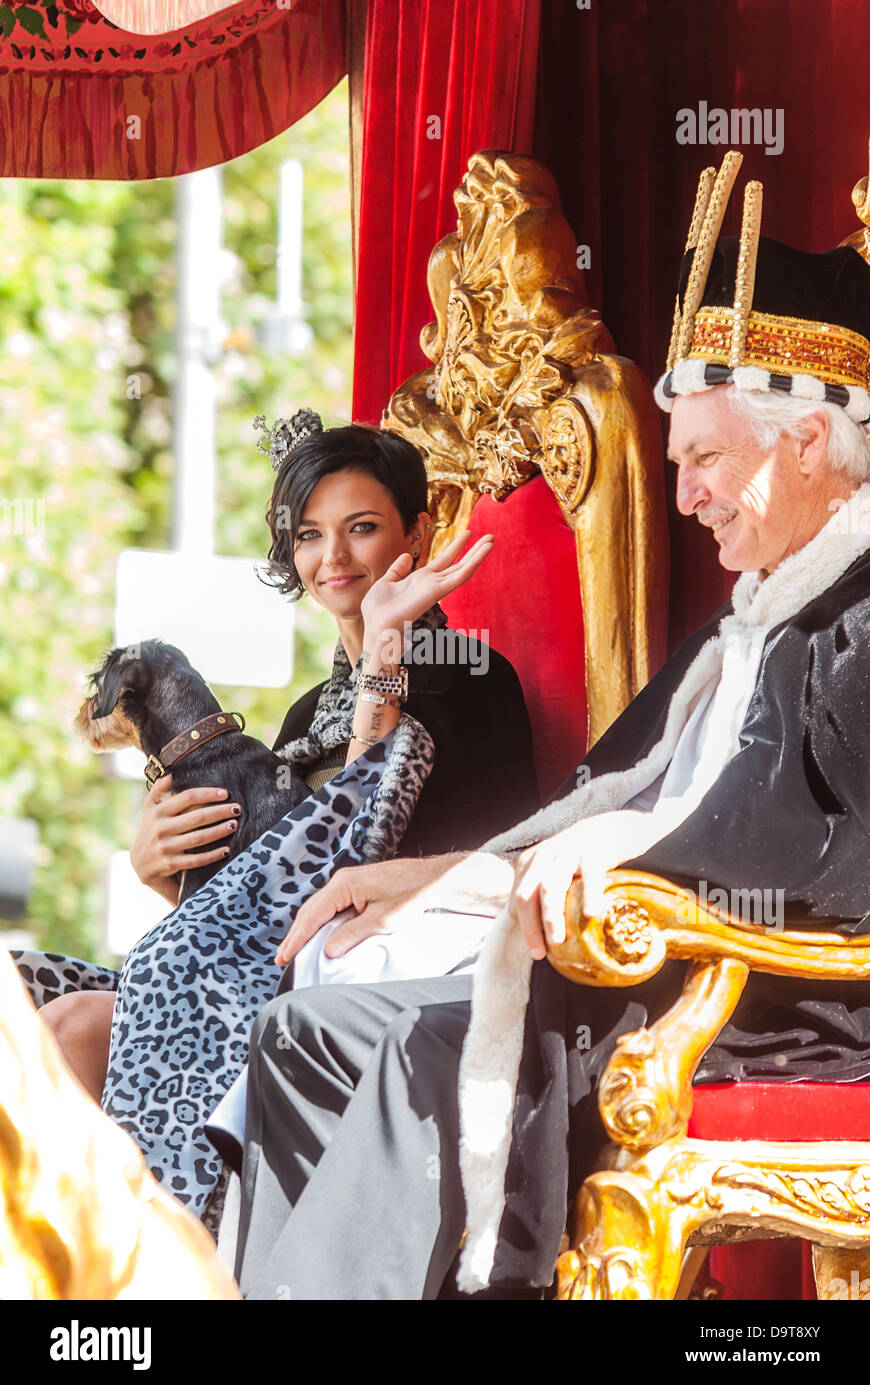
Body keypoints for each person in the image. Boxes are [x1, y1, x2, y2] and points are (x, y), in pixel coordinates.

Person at [230, 153, 870, 1300]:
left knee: (415, 1053)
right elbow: (617, 793)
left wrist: (622, 864)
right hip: (653, 944)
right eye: (678, 468)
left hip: (771, 996)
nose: (686, 499)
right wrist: (443, 874)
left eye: (708, 460)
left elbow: (811, 852)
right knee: (302, 1035)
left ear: (809, 444)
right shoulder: (754, 617)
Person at [13, 412, 537, 1213]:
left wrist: (389, 647)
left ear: (419, 534)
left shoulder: (470, 680)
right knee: (20, 998)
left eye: (361, 529)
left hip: (386, 987)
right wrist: (159, 868)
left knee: (80, 1028)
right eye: (309, 534)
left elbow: (361, 841)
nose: (333, 558)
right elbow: (258, 888)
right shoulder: (302, 718)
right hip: (266, 970)